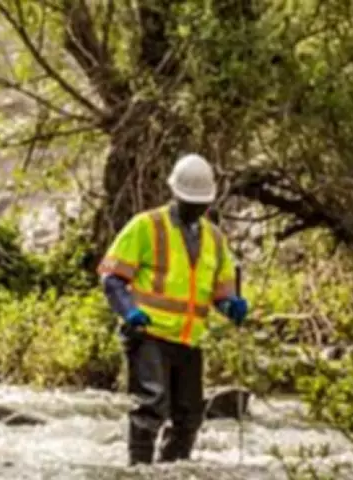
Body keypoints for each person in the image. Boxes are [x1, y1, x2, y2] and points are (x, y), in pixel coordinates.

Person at [97, 153, 249, 466]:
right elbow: (112, 279)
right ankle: (138, 469)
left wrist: (231, 305)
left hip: (188, 340)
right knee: (151, 406)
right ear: (175, 194)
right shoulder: (145, 226)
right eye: (191, 203)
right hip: (147, 333)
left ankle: (170, 470)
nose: (196, 209)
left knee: (190, 416)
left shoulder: (215, 239)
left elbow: (220, 292)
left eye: (201, 204)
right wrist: (129, 312)